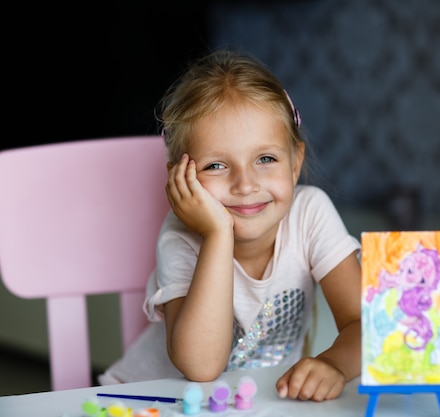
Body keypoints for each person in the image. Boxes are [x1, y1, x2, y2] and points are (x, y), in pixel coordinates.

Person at [99, 49, 362, 402]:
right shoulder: (180, 236)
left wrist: (335, 364)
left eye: (265, 159)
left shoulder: (310, 214)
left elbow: (367, 324)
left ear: (295, 163)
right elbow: (201, 367)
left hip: (249, 403)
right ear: (181, 179)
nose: (245, 184)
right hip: (143, 401)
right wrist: (217, 234)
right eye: (216, 166)